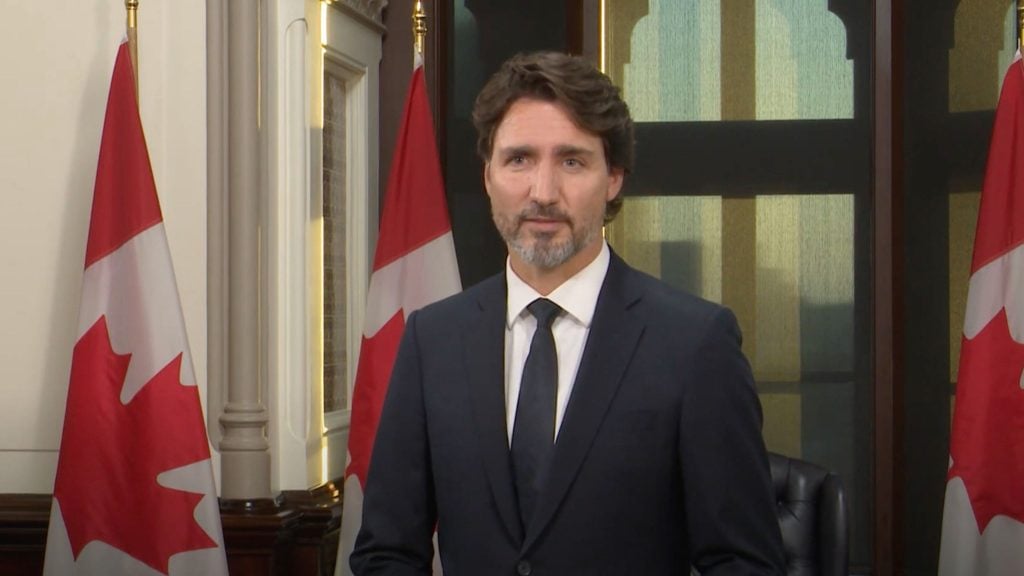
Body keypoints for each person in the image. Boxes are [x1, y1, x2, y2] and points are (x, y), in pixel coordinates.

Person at [350, 51, 786, 575]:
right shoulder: (434, 338)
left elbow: (743, 564)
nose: (543, 192)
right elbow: (386, 552)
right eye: (519, 159)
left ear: (614, 178)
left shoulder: (696, 344)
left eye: (572, 161)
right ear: (488, 175)